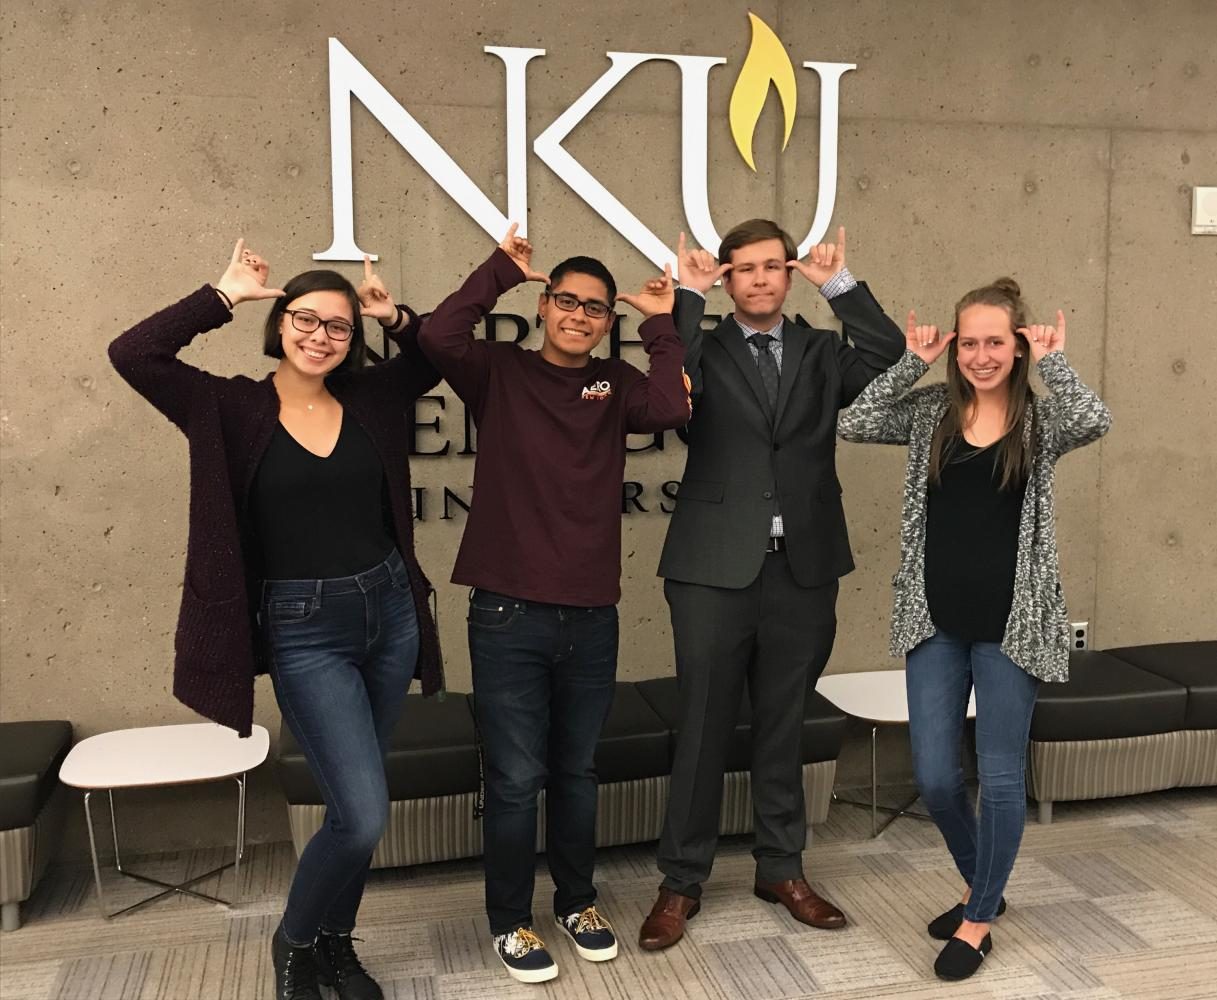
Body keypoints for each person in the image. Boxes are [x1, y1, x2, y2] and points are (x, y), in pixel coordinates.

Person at [109, 242, 443, 1000]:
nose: (321, 336)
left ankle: (335, 942)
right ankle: (293, 943)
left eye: (339, 326)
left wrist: (397, 319)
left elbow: (431, 359)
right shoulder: (228, 407)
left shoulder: (372, 400)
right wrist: (222, 294)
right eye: (306, 319)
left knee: (359, 802)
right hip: (304, 626)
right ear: (280, 324)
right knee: (361, 816)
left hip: (390, 612)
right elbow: (133, 353)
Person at [418, 224, 690, 984]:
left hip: (589, 615)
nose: (579, 315)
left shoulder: (615, 386)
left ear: (608, 321)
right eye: (566, 301)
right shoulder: (497, 372)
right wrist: (499, 268)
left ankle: (577, 901)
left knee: (575, 772)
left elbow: (670, 406)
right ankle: (510, 920)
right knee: (512, 779)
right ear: (544, 306)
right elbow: (440, 332)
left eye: (595, 308)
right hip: (507, 614)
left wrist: (660, 324)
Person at [639, 221, 905, 950]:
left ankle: (780, 868)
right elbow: (667, 374)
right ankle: (680, 882)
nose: (757, 280)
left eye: (771, 268)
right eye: (742, 270)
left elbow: (886, 355)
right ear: (726, 278)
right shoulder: (700, 343)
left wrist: (837, 285)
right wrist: (687, 294)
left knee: (784, 724)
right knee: (700, 728)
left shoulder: (823, 352)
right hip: (710, 570)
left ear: (787, 275)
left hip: (802, 568)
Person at [837, 279, 1112, 981]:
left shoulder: (1039, 421)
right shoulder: (931, 410)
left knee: (995, 780)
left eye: (995, 341)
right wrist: (910, 361)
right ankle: (982, 886)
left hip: (1011, 627)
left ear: (1016, 343)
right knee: (932, 778)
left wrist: (1052, 364)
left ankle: (978, 915)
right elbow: (854, 419)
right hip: (934, 621)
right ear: (953, 345)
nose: (980, 356)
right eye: (969, 342)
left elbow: (1094, 418)